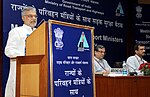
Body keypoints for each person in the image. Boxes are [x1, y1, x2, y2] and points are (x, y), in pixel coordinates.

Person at [4, 6, 37, 97]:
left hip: (36, 70)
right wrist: (25, 56)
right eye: (30, 16)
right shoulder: (16, 31)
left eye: (35, 16)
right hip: (21, 70)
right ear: (23, 18)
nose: (33, 18)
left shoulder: (39, 32)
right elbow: (8, 51)